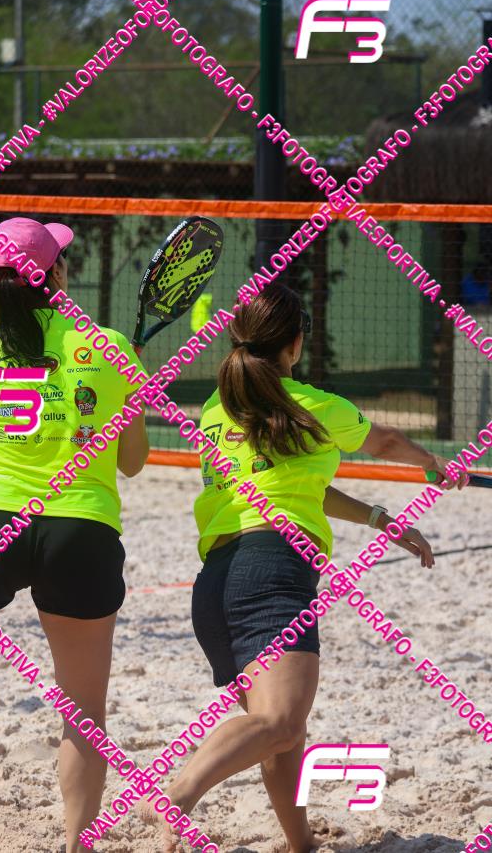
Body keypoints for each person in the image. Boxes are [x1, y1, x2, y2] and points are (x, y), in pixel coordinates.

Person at [142, 283, 467, 853]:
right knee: (281, 724)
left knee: (281, 733)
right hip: (273, 572)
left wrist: (379, 519)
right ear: (295, 342)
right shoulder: (309, 403)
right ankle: (178, 794)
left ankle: (302, 845)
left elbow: (298, 485)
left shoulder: (220, 409)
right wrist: (433, 462)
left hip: (216, 584)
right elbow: (386, 441)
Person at [0, 218, 149, 853]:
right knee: (84, 712)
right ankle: (76, 844)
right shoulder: (110, 345)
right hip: (81, 524)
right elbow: (132, 463)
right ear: (58, 274)